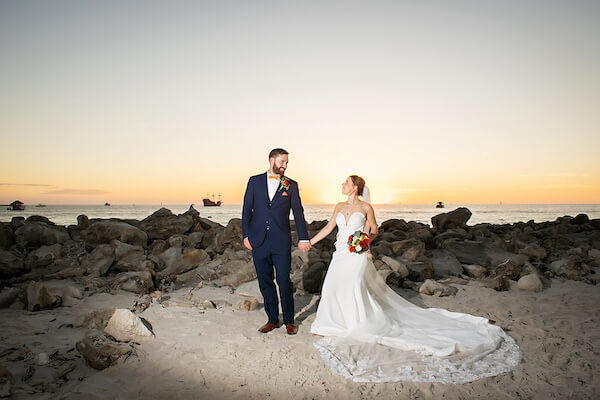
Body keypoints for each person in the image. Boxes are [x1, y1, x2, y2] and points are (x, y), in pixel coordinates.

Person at [307, 175, 520, 383]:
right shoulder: (338, 206)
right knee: (333, 287)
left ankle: (356, 323)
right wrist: (310, 242)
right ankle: (329, 323)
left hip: (356, 254)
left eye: (346, 182)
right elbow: (328, 228)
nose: (342, 185)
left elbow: (374, 229)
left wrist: (364, 242)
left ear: (355, 187)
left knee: (354, 287)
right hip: (340, 253)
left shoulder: (365, 208)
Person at [242, 148, 311, 335]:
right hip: (258, 240)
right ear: (271, 160)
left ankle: (289, 320)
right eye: (282, 161)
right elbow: (247, 210)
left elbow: (298, 212)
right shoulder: (254, 181)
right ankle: (272, 319)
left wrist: (304, 237)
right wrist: (245, 236)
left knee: (283, 280)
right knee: (265, 281)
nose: (285, 166)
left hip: (281, 241)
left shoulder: (291, 185)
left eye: (287, 163)